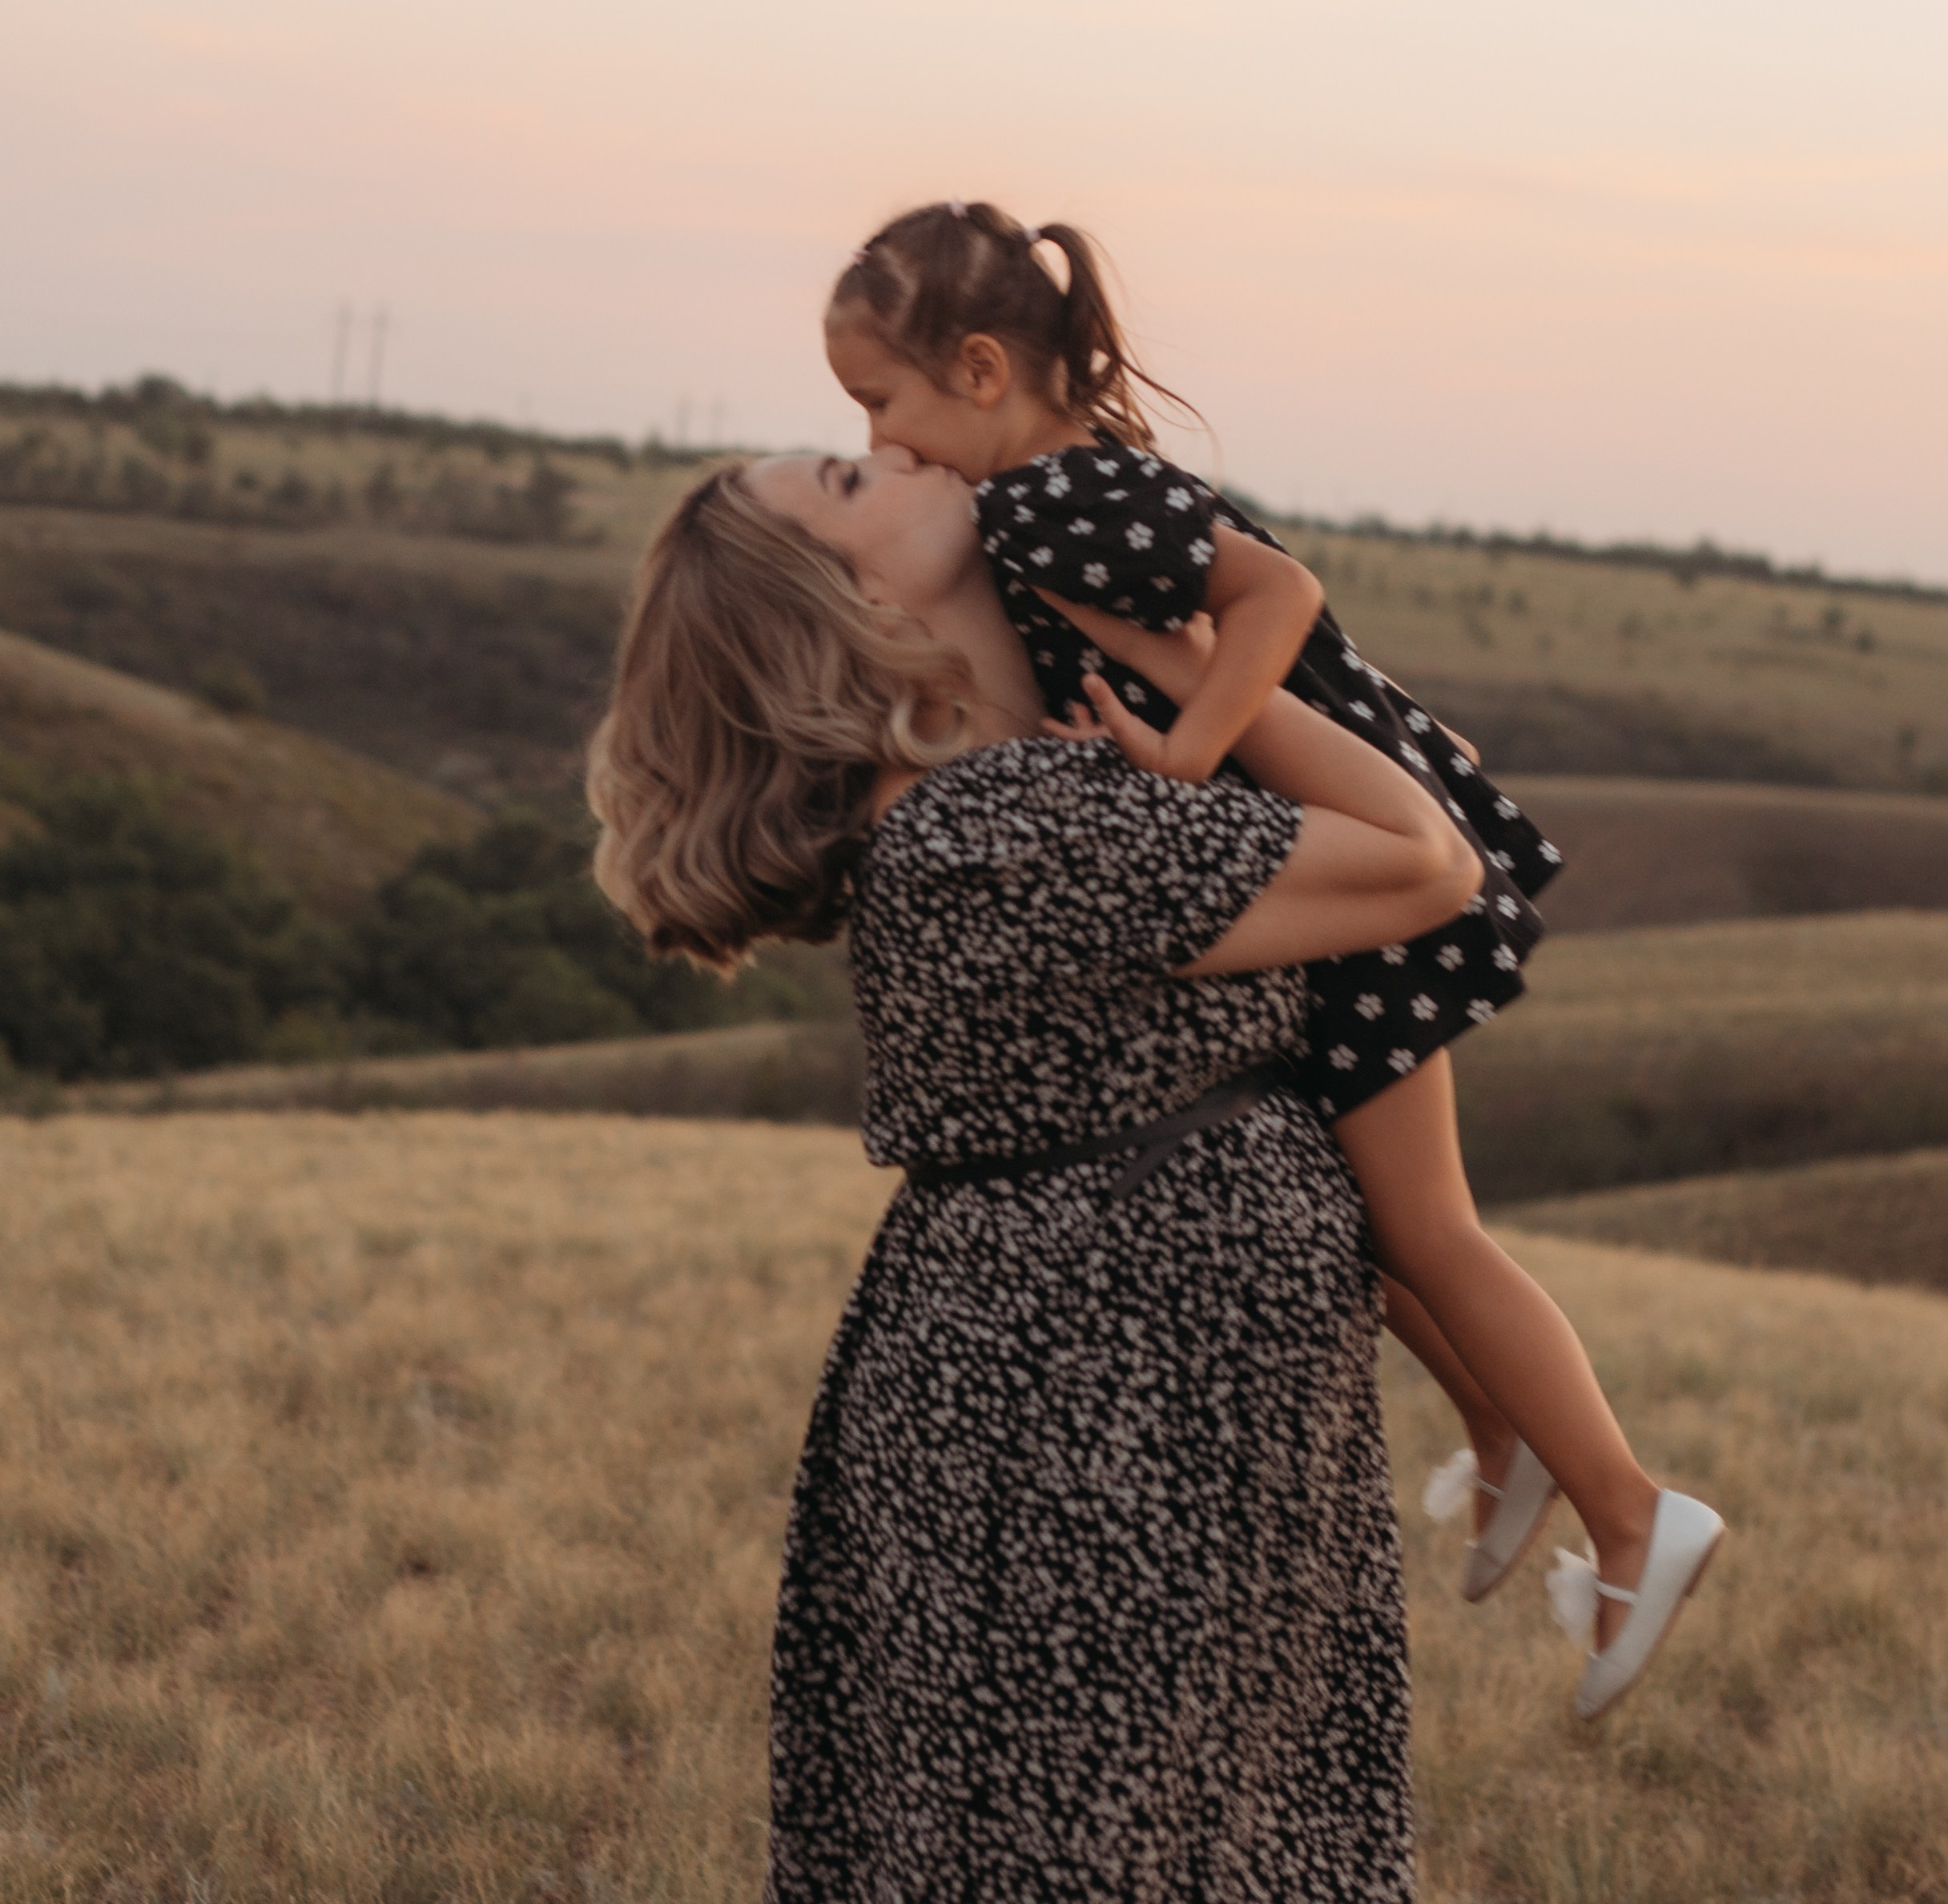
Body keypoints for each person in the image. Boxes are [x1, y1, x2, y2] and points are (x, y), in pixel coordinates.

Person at [824, 199, 1722, 1705]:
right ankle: (1508, 1445)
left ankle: (1634, 1509)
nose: (887, 442)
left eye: (883, 405)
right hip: (1315, 866)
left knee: (1428, 1227)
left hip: (1347, 887)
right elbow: (1305, 639)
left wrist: (1186, 755)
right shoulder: (1079, 487)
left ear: (982, 368)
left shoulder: (1044, 505)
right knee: (1358, 1212)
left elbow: (1279, 600)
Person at [590, 444, 1488, 1898]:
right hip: (1108, 1400)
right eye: (845, 474)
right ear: (847, 592)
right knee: (1116, 1838)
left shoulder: (987, 806)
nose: (897, 448)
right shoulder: (1005, 830)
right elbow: (1423, 863)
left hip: (1114, 1372)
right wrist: (1199, 670)